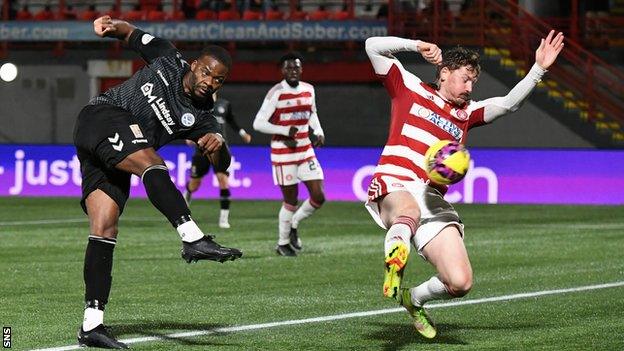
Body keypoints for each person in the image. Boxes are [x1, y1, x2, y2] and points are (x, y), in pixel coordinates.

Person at [364, 31, 564, 338]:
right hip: (396, 179)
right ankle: (395, 258)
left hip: (431, 196)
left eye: (474, 83)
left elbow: (509, 104)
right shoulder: (409, 86)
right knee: (407, 211)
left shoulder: (466, 114)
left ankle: (413, 298)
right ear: (444, 73)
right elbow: (372, 47)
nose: (469, 88)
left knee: (460, 282)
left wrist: (538, 69)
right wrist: (416, 45)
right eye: (465, 79)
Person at [73, 15, 243, 348]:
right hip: (102, 116)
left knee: (105, 229)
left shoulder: (205, 119)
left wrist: (218, 145)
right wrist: (109, 24)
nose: (209, 82)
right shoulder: (167, 57)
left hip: (116, 156)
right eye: (206, 72)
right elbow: (131, 33)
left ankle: (91, 325)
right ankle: (192, 237)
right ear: (194, 66)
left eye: (218, 80)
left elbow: (223, 163)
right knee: (153, 163)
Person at [252, 52, 326, 257]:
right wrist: (285, 131)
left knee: (319, 196)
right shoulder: (276, 93)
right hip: (283, 154)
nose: (293, 71)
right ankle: (282, 243)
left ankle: (294, 223)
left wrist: (318, 131)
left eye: (296, 68)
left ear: (301, 70)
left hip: (305, 150)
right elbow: (257, 123)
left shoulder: (309, 90)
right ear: (282, 71)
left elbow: (312, 114)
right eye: (288, 68)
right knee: (291, 201)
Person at [184, 94, 252, 228]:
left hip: (221, 150)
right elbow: (190, 122)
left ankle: (223, 219)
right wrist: (189, 136)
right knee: (194, 184)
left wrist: (243, 134)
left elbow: (232, 121)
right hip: (202, 149)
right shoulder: (197, 104)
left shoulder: (224, 105)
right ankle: (188, 193)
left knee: (223, 181)